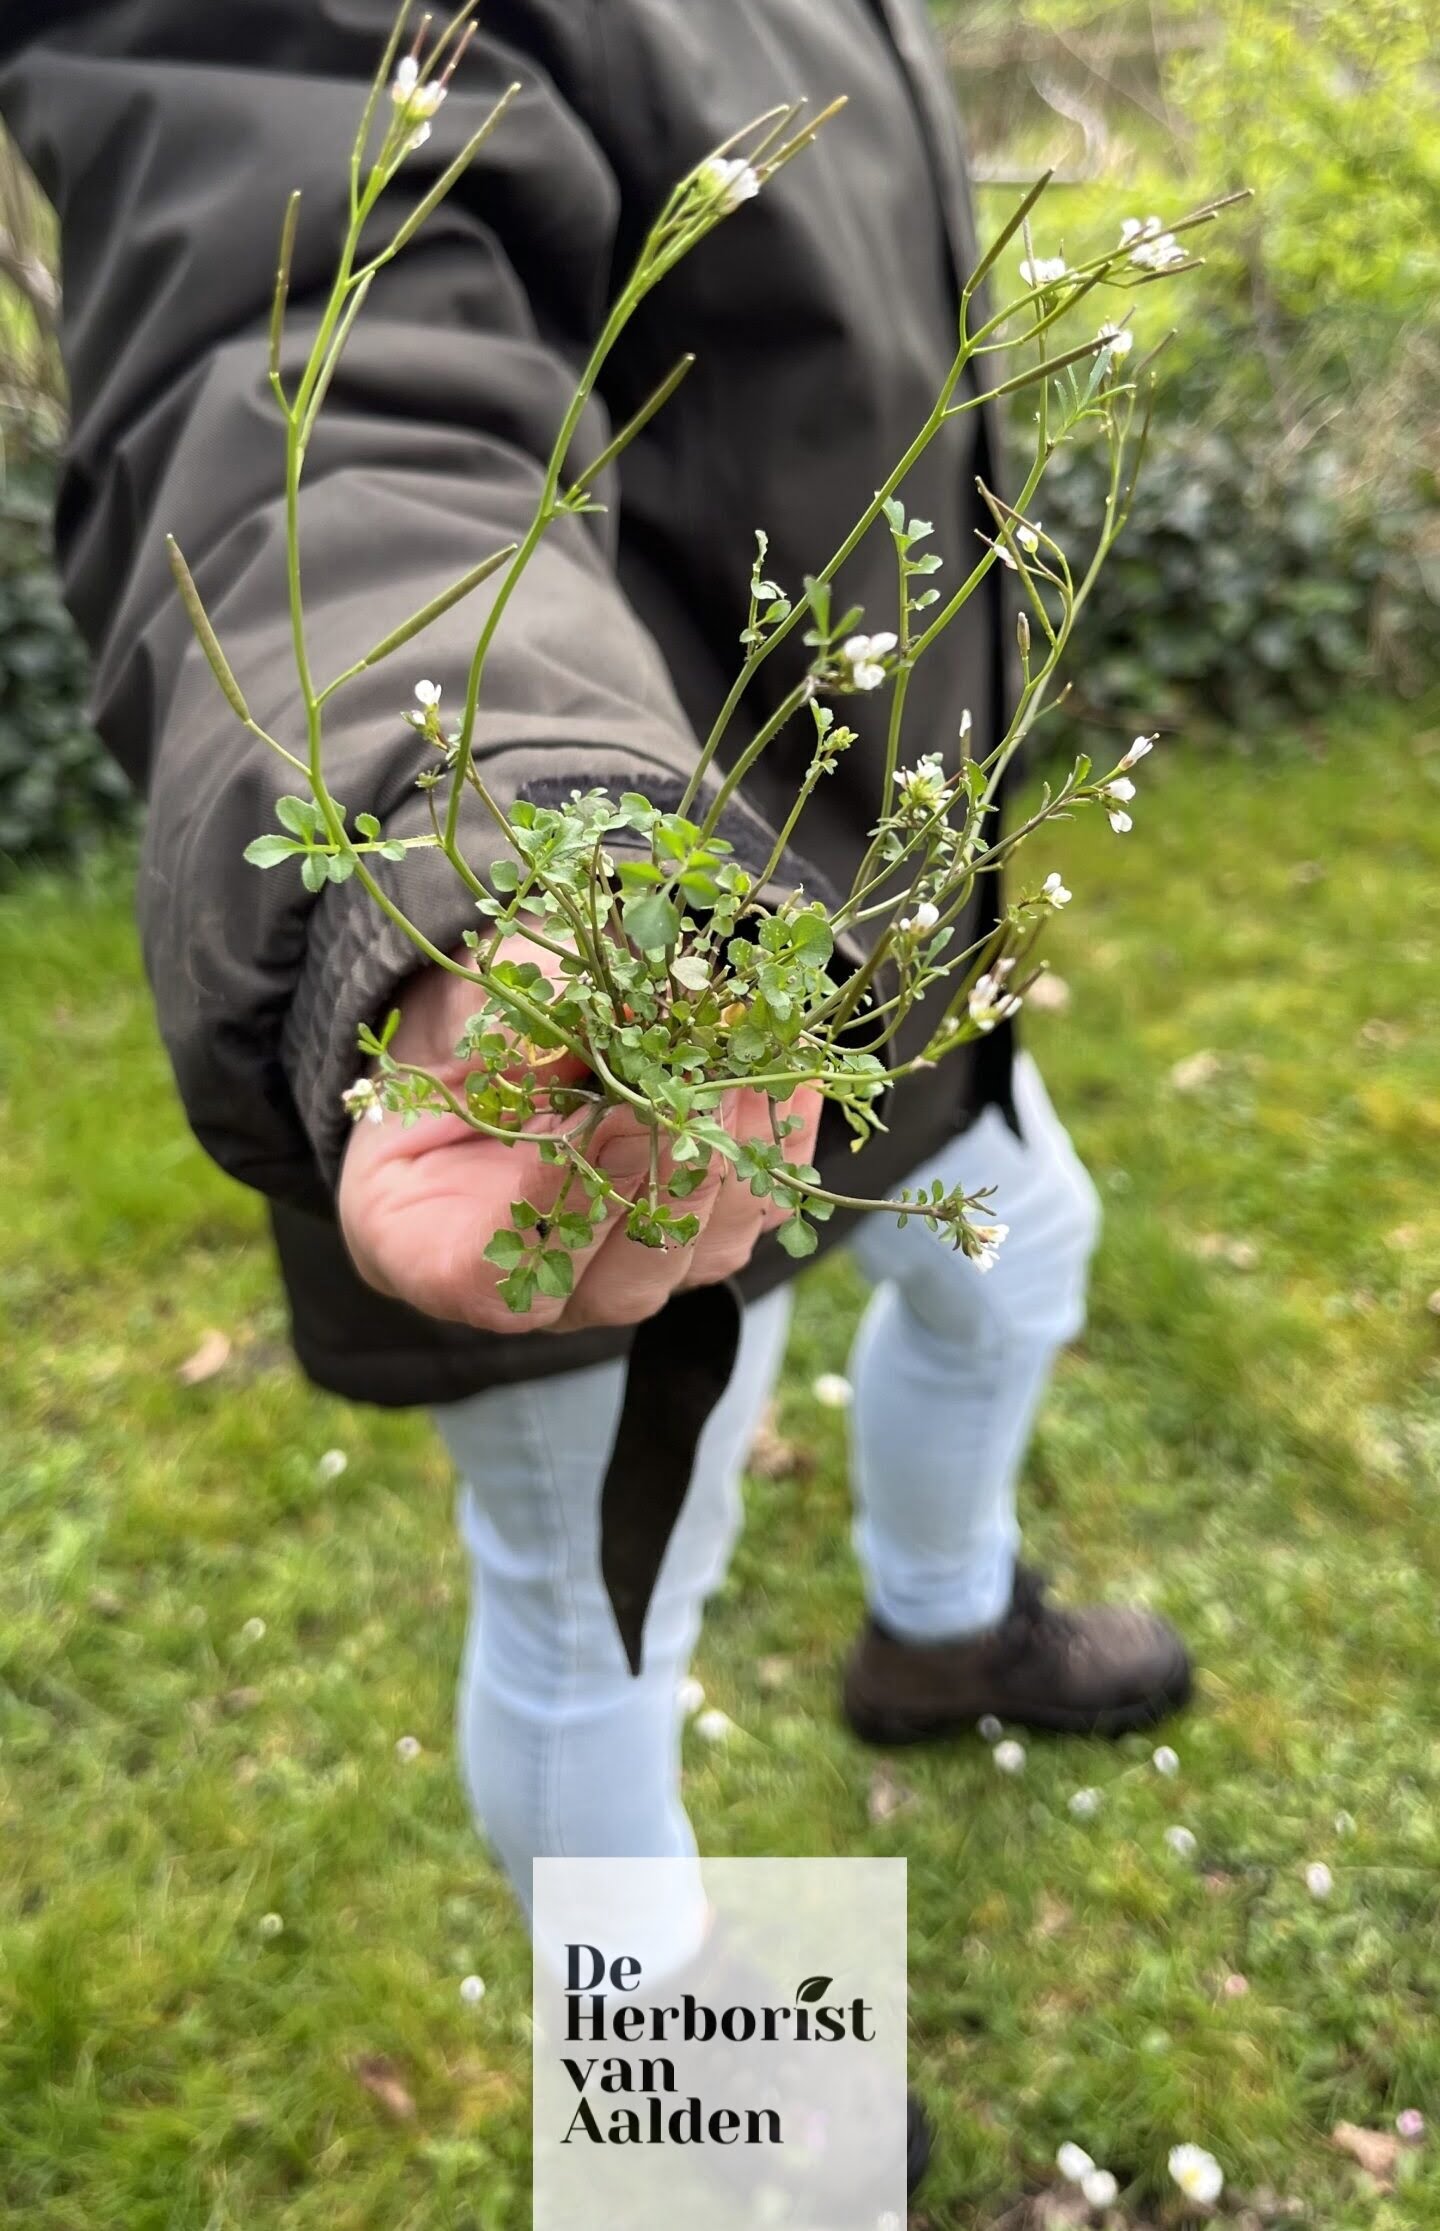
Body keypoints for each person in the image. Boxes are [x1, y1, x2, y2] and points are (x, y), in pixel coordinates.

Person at [2, 0, 1190, 2193]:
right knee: (601, 1595)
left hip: (869, 957)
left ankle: (940, 1635)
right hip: (585, 1047)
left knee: (1023, 1267)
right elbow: (306, 387)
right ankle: (689, 2086)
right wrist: (512, 847)